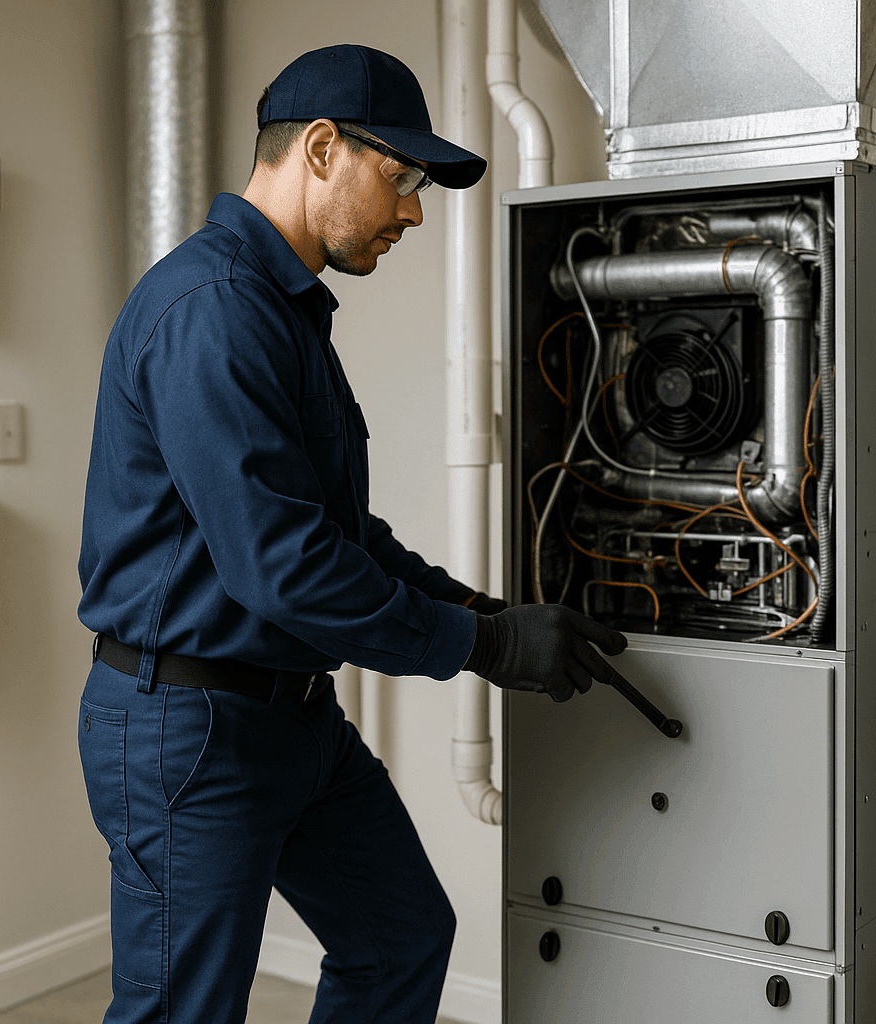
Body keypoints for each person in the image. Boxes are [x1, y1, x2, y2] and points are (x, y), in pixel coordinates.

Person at [76, 44, 625, 1024]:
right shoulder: (213, 313)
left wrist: (490, 616)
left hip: (291, 718)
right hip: (189, 726)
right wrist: (484, 646)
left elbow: (341, 535)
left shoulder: (283, 315)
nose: (413, 208)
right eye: (401, 175)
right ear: (321, 147)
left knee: (401, 937)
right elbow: (284, 568)